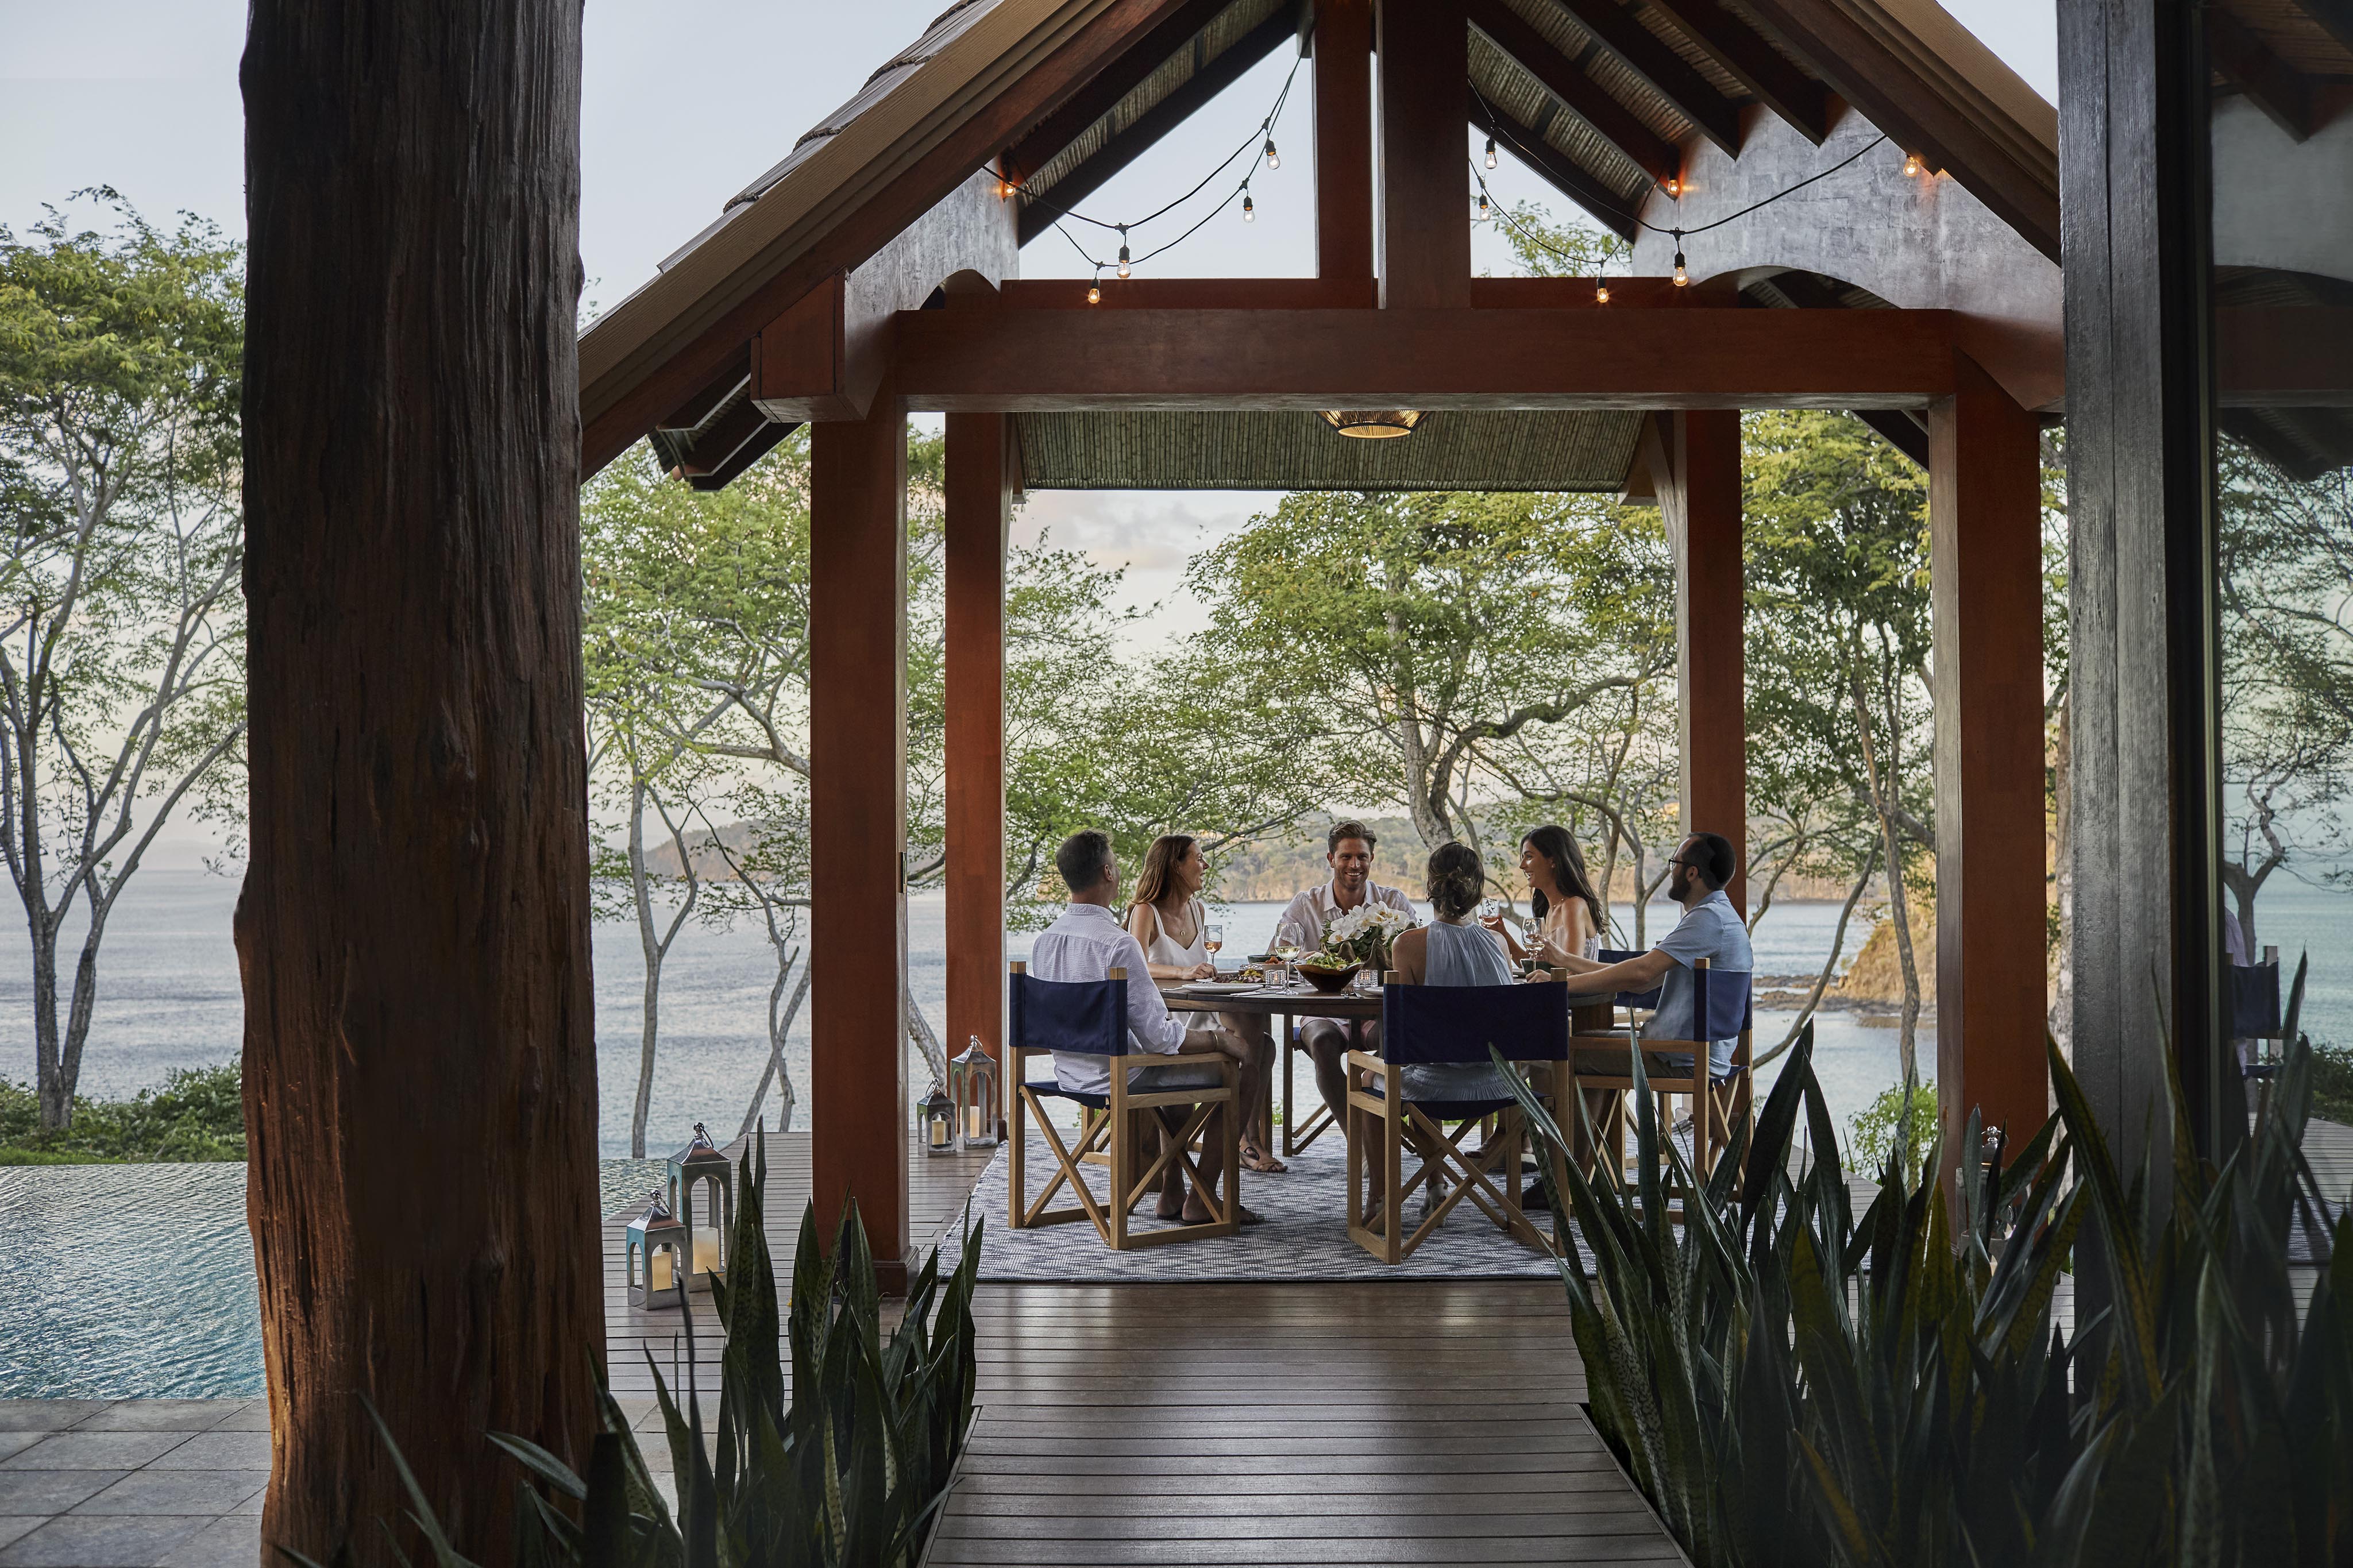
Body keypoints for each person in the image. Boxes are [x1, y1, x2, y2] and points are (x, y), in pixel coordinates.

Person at [1030, 829, 1263, 1226]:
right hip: (1123, 1076)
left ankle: (1176, 1186)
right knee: (1254, 1054)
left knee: (1189, 1062)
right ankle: (1203, 1193)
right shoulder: (1118, 944)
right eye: (1116, 865)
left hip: (1070, 1075)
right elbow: (1161, 1037)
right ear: (1108, 874)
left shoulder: (1044, 942)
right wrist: (1220, 1040)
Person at [1367, 841, 1525, 1218]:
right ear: (1478, 889)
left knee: (1376, 1072)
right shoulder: (1499, 943)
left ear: (1430, 885)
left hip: (1433, 1088)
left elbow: (1401, 1028)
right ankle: (1438, 1185)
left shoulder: (1407, 945)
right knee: (1427, 1058)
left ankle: (1380, 1198)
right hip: (1499, 1088)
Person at [1127, 833, 1284, 1173]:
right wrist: (1183, 971)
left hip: (1199, 1011)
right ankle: (1234, 1145)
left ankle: (1239, 1138)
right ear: (1175, 865)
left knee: (1261, 1042)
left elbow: (1200, 970)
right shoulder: (1146, 911)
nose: (1205, 865)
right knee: (1249, 1052)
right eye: (1198, 859)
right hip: (1165, 1020)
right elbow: (1135, 964)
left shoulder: (1198, 910)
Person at [1552, 829, 1753, 1080]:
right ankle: (1593, 1123)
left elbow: (1641, 972)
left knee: (1560, 1051)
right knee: (1586, 1040)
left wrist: (1559, 985)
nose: (1671, 871)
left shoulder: (1708, 920)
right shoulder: (1721, 916)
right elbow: (1644, 982)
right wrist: (1565, 961)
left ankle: (1549, 1121)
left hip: (1680, 1056)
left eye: (1674, 863)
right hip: (1696, 1053)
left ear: (1691, 873)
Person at [1277, 820, 1418, 1133]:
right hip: (1322, 1012)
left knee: (1395, 1038)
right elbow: (1278, 956)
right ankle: (1361, 1140)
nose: (1355, 865)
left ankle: (1381, 1128)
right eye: (1346, 857)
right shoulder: (1306, 904)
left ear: (1371, 859)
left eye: (1362, 857)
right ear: (1331, 859)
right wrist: (1316, 961)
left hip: (1376, 1012)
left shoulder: (1393, 902)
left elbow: (1418, 955)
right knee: (1324, 1044)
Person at [1486, 825, 1604, 968]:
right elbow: (1536, 968)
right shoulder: (1549, 909)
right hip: (1556, 990)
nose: (1522, 865)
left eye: (1529, 857)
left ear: (1553, 861)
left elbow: (1570, 971)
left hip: (1572, 991)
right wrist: (1503, 934)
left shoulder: (1573, 906)